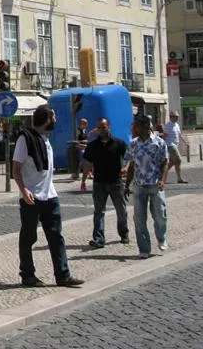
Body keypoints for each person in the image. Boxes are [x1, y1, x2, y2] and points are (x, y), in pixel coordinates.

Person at [13, 104, 83, 288]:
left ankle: (63, 275)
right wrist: (23, 189)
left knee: (56, 236)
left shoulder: (46, 139)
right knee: (28, 238)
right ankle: (27, 275)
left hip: (50, 195)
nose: (56, 121)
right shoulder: (25, 138)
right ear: (47, 120)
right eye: (54, 117)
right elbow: (16, 168)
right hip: (32, 197)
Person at [126, 114, 169, 259]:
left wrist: (163, 180)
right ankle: (144, 248)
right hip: (139, 185)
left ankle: (161, 237)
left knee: (160, 215)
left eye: (136, 126)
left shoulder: (159, 143)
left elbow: (165, 162)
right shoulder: (133, 144)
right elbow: (131, 165)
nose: (134, 128)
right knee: (139, 219)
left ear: (145, 127)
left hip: (155, 184)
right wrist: (127, 185)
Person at [83, 118, 129, 248]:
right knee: (99, 211)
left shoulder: (119, 143)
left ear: (109, 127)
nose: (101, 130)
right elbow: (87, 163)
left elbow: (129, 157)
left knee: (121, 210)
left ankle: (124, 233)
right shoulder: (93, 146)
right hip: (99, 183)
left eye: (103, 127)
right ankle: (99, 239)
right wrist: (83, 180)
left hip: (116, 182)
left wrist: (125, 167)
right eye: (99, 128)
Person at [163, 111, 189, 184]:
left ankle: (162, 175)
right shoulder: (168, 125)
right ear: (171, 117)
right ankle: (179, 178)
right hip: (170, 145)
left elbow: (180, 135)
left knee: (172, 162)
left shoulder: (177, 125)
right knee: (178, 160)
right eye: (175, 117)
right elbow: (164, 136)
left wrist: (185, 142)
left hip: (175, 144)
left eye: (177, 116)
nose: (177, 118)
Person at [77, 118, 90, 192]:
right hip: (80, 147)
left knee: (85, 161)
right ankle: (78, 173)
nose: (86, 125)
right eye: (85, 123)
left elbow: (87, 140)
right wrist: (83, 141)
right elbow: (77, 140)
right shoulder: (79, 130)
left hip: (85, 147)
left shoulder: (85, 131)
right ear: (82, 123)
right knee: (84, 160)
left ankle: (89, 173)